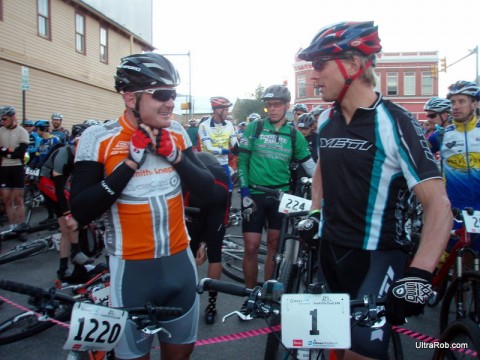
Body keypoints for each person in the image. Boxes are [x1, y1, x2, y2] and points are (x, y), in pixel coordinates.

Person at [296, 21, 452, 359]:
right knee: (326, 344)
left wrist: (420, 273)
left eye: (320, 64)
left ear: (353, 65)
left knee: (358, 352)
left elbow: (438, 203)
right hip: (330, 253)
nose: (313, 76)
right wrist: (314, 211)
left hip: (376, 257)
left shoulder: (396, 122)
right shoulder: (325, 119)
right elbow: (323, 166)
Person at [69, 52, 214, 360]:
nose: (171, 103)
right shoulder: (99, 138)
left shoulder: (175, 131)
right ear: (130, 98)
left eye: (173, 94)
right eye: (161, 94)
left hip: (179, 266)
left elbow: (208, 191)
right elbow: (81, 210)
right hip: (131, 273)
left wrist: (176, 157)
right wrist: (129, 164)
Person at [237, 84, 316, 313]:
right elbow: (242, 162)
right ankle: (250, 295)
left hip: (281, 197)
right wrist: (244, 193)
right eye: (269, 105)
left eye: (277, 105)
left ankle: (266, 296)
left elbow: (311, 167)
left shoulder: (294, 134)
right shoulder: (255, 127)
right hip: (254, 194)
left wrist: (330, 183)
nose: (272, 109)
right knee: (251, 246)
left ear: (287, 106)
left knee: (274, 246)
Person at [426, 81, 480, 253]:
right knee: (455, 256)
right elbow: (416, 157)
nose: (455, 106)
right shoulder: (441, 135)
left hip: (478, 205)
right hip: (453, 206)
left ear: (474, 104)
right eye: (452, 102)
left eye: (461, 101)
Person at [38, 122, 95, 282]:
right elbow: (59, 189)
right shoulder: (63, 154)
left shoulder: (82, 155)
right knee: (69, 223)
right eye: (79, 143)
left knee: (66, 230)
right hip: (47, 182)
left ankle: (63, 269)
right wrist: (68, 213)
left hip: (60, 185)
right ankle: (76, 252)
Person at [184, 152, 229, 325]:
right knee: (215, 254)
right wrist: (204, 243)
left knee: (187, 251)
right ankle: (211, 307)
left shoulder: (184, 165)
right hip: (220, 189)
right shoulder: (216, 166)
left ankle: (186, 304)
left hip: (194, 193)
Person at [198, 96, 238, 202]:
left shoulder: (229, 124)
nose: (227, 112)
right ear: (217, 110)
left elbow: (235, 143)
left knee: (229, 189)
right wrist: (226, 151)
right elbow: (208, 147)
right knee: (210, 192)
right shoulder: (204, 126)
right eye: (225, 110)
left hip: (224, 163)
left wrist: (239, 149)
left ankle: (227, 213)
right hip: (209, 164)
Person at [0, 106, 30, 235]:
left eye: (5, 119)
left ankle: (20, 227)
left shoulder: (22, 132)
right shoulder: (0, 131)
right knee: (7, 199)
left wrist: (5, 151)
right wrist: (9, 151)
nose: (3, 121)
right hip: (4, 168)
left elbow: (20, 153)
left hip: (17, 167)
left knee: (18, 199)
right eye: (1, 119)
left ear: (12, 118)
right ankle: (12, 228)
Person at [293, 113, 317, 197]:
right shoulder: (294, 137)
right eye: (300, 128)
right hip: (296, 175)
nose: (302, 131)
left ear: (311, 127)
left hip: (312, 176)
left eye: (305, 129)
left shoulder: (317, 138)